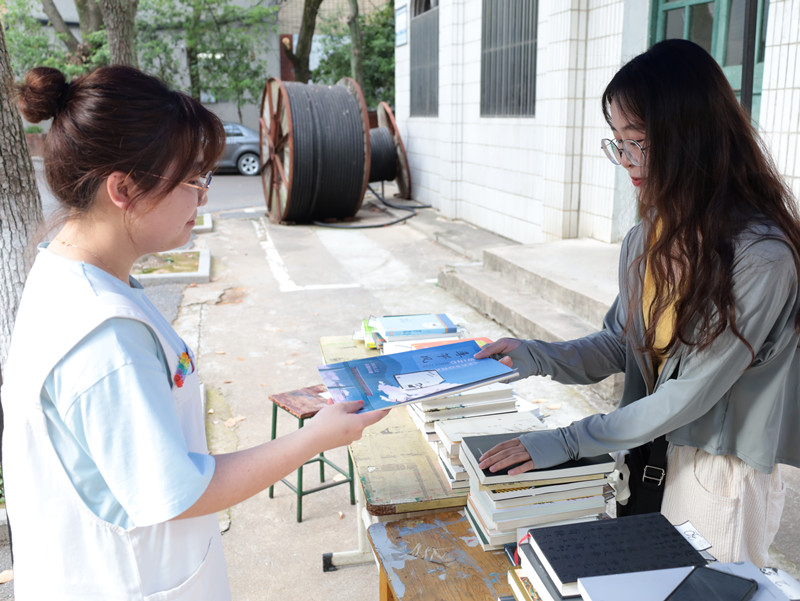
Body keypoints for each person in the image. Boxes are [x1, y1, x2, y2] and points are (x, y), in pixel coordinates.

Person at [2, 65, 388, 600]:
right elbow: (178, 492)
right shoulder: (103, 336)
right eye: (192, 180)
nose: (203, 197)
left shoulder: (68, 274)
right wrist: (314, 439)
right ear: (123, 189)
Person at [475, 38, 800, 567]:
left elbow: (689, 395)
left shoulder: (761, 257)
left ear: (692, 136)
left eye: (638, 142)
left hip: (718, 475)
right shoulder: (649, 235)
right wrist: (537, 356)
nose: (625, 160)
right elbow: (621, 343)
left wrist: (569, 439)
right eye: (618, 142)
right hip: (649, 452)